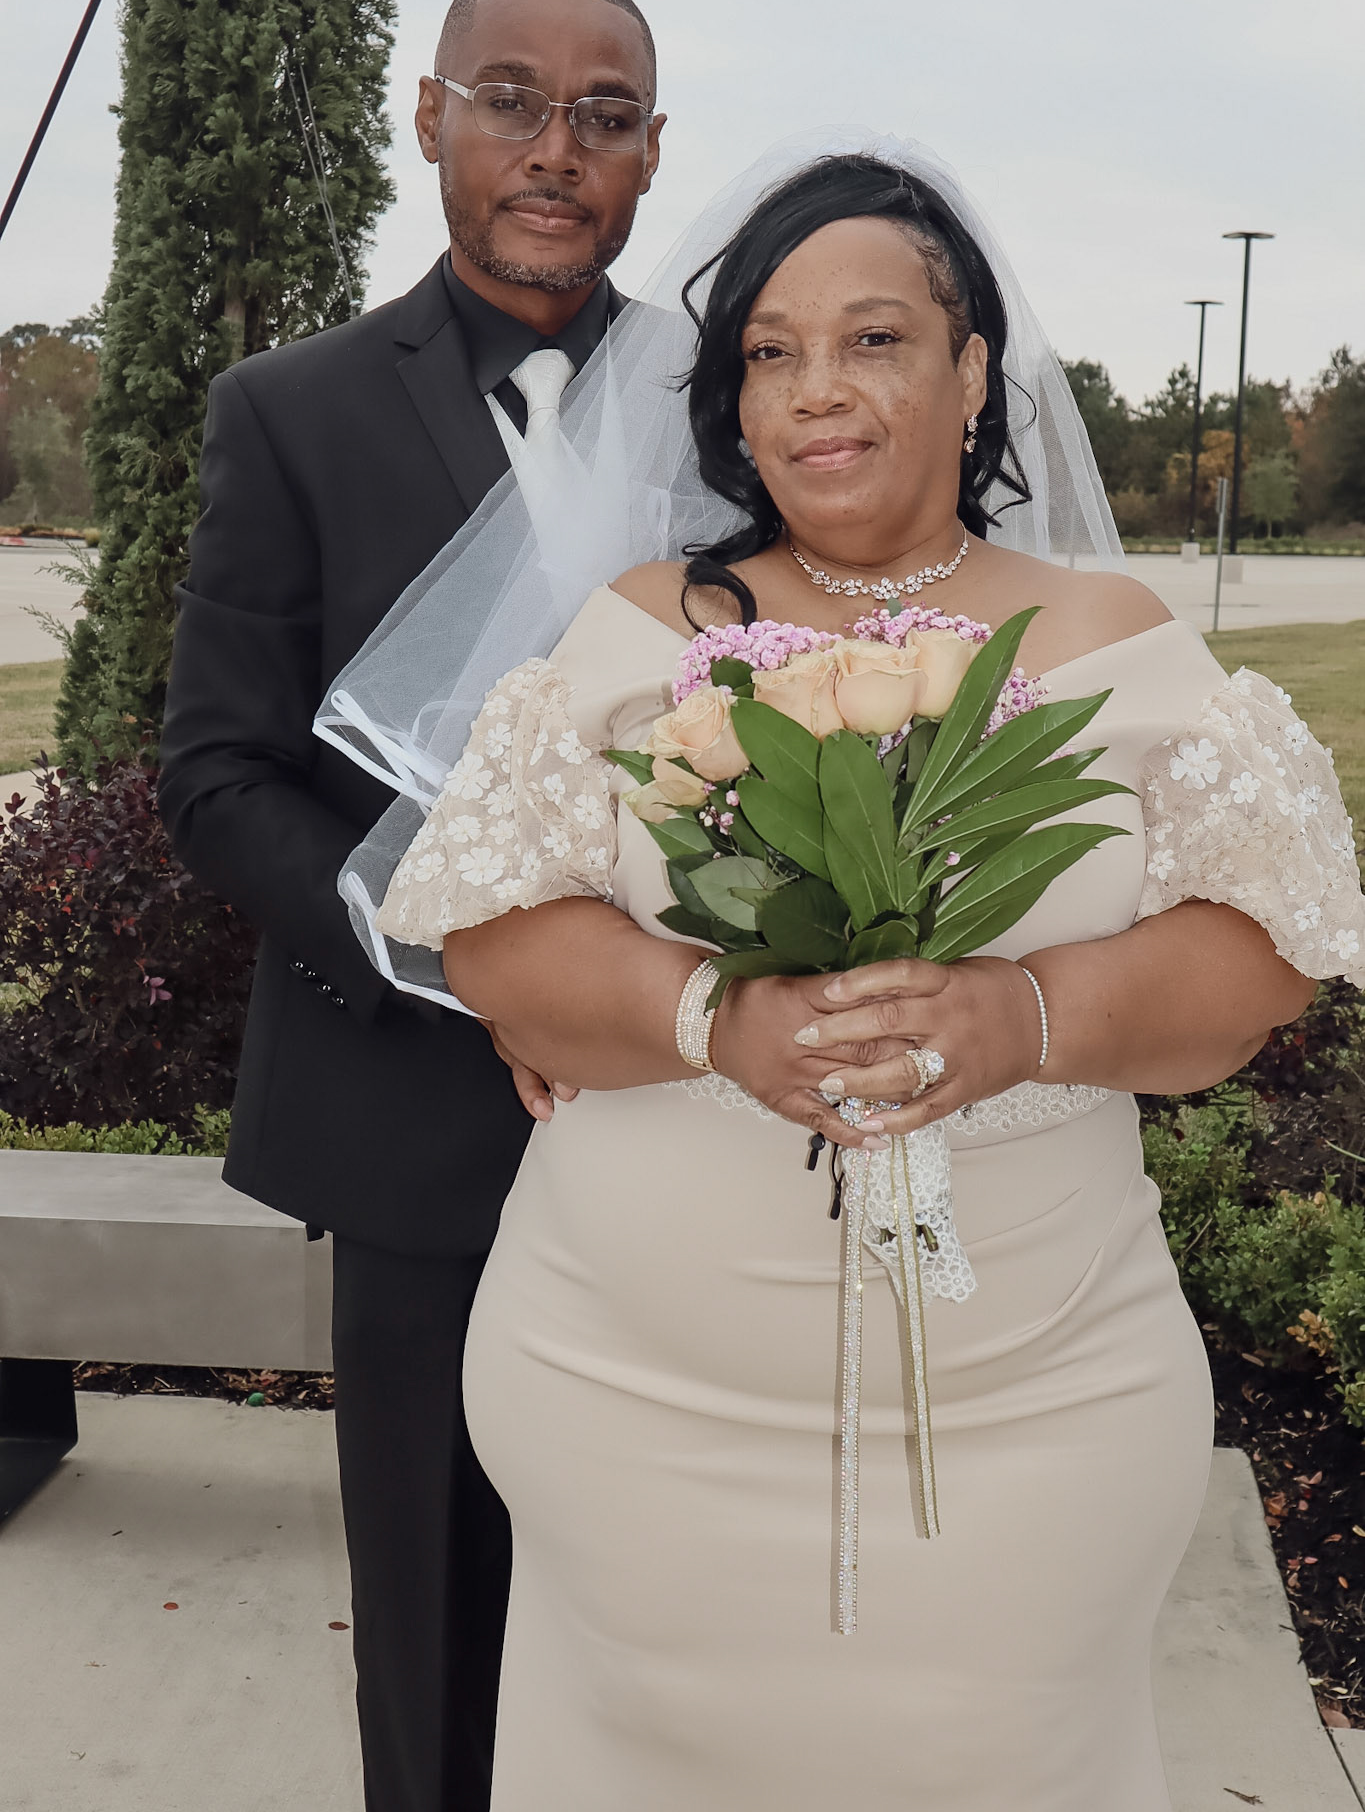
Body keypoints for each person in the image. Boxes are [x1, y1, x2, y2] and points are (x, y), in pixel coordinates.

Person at [347, 142, 1365, 1809]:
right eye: (771, 351)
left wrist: (1023, 1016)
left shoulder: (1107, 639)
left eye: (874, 339)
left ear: (972, 373)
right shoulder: (643, 630)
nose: (815, 388)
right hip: (624, 1401)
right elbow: (495, 936)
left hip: (1036, 1412)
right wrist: (709, 1016)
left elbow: (1258, 959)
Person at [156, 0, 665, 1812]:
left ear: (651, 152)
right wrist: (468, 967)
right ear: (431, 118)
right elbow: (218, 774)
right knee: (439, 1630)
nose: (555, 147)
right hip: (409, 1127)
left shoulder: (731, 402)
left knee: (671, 1609)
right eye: (511, 100)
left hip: (690, 1113)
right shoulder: (289, 411)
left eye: (602, 115)